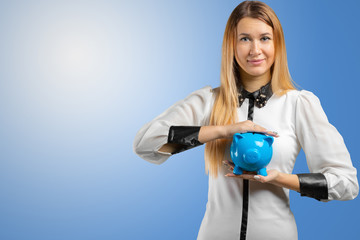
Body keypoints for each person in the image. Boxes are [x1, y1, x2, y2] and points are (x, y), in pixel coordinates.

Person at [133, 1, 359, 239]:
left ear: (277, 44)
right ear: (231, 45)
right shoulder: (209, 101)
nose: (255, 50)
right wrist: (223, 130)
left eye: (264, 38)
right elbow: (146, 145)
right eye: (244, 39)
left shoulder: (298, 104)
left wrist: (279, 178)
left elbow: (346, 183)